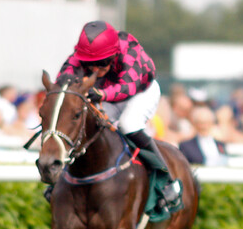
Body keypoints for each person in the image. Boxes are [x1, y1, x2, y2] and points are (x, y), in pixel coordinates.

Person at [58, 20, 181, 208]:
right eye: (91, 64)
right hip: (108, 94)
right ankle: (65, 176)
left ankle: (166, 179)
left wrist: (101, 94)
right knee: (88, 124)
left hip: (141, 92)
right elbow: (64, 78)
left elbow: (127, 87)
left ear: (113, 54)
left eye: (102, 64)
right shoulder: (81, 55)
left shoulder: (129, 50)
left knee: (128, 124)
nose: (95, 70)